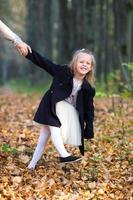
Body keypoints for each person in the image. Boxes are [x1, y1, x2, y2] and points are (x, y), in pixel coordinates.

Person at [0, 19, 96, 170]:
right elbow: (44, 62)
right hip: (49, 106)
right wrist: (27, 52)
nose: (84, 65)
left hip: (64, 113)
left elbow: (89, 109)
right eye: (81, 62)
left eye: (87, 63)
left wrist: (88, 127)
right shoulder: (63, 72)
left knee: (43, 139)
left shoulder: (88, 88)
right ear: (74, 63)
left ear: (90, 68)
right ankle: (64, 155)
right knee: (54, 127)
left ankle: (31, 166)